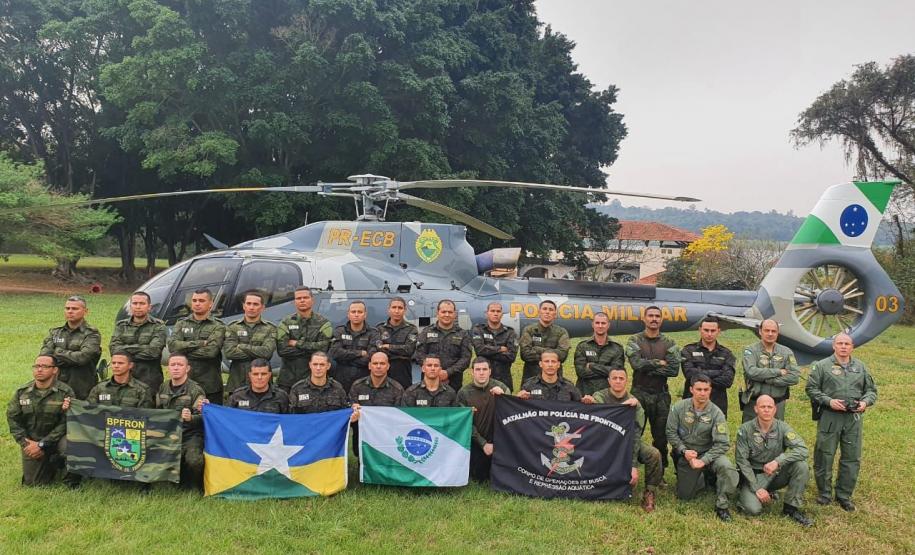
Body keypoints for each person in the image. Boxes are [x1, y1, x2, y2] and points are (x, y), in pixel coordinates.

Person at [806, 333, 877, 512]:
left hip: (853, 419)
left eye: (847, 343)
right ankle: (824, 493)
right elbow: (811, 388)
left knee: (851, 457)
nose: (843, 346)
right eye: (840, 343)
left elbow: (871, 391)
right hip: (830, 416)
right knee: (824, 455)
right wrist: (829, 401)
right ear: (834, 346)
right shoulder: (821, 366)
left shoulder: (860, 367)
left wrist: (864, 402)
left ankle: (844, 495)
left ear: (852, 347)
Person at [666, 374, 738, 522]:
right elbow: (670, 432)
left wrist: (704, 460)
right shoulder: (679, 407)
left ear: (710, 390)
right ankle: (704, 477)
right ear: (691, 389)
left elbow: (723, 443)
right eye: (699, 389)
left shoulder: (717, 413)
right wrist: (684, 451)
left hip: (710, 453)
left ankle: (722, 505)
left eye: (706, 389)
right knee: (684, 496)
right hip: (688, 453)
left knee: (727, 467)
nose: (703, 393)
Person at [735, 395, 813, 526]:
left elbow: (802, 449)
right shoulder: (745, 429)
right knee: (752, 509)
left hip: (775, 474)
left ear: (774, 410)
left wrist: (778, 461)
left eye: (769, 407)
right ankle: (746, 494)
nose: (766, 410)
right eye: (762, 407)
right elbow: (742, 462)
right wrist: (756, 487)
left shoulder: (783, 428)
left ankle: (791, 509)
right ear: (756, 409)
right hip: (754, 476)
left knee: (801, 466)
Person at [593, 368, 662, 512]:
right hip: (604, 442)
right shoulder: (599, 397)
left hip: (628, 441)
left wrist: (633, 465)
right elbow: (599, 419)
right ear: (609, 380)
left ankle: (649, 492)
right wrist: (621, 408)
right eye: (615, 378)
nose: (618, 381)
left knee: (653, 454)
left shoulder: (635, 404)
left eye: (621, 378)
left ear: (627, 380)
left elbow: (636, 435)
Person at [626, 305, 680, 471]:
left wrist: (647, 365)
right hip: (639, 394)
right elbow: (636, 364)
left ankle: (660, 472)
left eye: (657, 316)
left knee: (661, 437)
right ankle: (628, 468)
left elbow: (673, 370)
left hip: (661, 396)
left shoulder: (669, 342)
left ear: (661, 320)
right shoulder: (634, 340)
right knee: (634, 435)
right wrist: (659, 362)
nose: (654, 319)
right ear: (644, 318)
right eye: (650, 316)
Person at [7, 355, 74, 485]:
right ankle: (52, 464)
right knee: (33, 483)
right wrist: (27, 444)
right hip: (32, 440)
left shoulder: (65, 392)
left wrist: (43, 444)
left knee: (69, 447)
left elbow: (66, 422)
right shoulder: (22, 392)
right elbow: (13, 419)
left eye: (44, 366)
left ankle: (67, 474)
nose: (39, 370)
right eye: (37, 366)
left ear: (55, 370)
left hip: (57, 439)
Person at [155, 354, 207, 489]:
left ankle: (194, 486)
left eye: (180, 365)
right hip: (167, 434)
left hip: (190, 435)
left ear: (187, 368)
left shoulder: (196, 390)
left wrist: (191, 418)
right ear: (168, 368)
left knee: (194, 460)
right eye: (173, 365)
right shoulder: (163, 388)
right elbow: (157, 411)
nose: (176, 368)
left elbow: (204, 417)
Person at [167, 288, 227, 405]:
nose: (197, 303)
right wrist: (199, 344)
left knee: (208, 420)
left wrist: (183, 351)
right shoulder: (181, 323)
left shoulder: (218, 326)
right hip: (184, 384)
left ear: (211, 304)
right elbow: (172, 346)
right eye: (194, 300)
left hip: (209, 386)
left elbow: (211, 352)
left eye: (201, 300)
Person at [456, 358, 509, 481]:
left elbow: (511, 415)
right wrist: (483, 443)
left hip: (499, 442)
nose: (481, 373)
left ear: (490, 371)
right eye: (478, 369)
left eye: (484, 369)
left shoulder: (501, 387)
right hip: (476, 442)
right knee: (478, 477)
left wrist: (504, 398)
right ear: (472, 372)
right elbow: (464, 423)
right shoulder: (463, 393)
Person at [39, 295, 101, 400]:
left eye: (75, 309)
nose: (70, 311)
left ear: (85, 311)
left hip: (82, 388)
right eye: (67, 308)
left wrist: (57, 352)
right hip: (55, 386)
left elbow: (83, 358)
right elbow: (45, 357)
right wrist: (71, 357)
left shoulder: (92, 334)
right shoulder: (55, 332)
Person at [740, 319, 800, 422]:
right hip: (754, 402)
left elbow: (794, 377)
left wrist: (768, 380)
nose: (770, 334)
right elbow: (751, 372)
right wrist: (778, 372)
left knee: (776, 435)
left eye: (773, 331)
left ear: (778, 332)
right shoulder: (750, 350)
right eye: (767, 330)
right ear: (760, 331)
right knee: (751, 434)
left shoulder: (786, 352)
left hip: (777, 403)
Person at [276, 286, 333, 391]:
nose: (302, 300)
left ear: (312, 300)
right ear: (294, 302)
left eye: (305, 298)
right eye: (298, 298)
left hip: (313, 380)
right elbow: (282, 350)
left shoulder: (323, 323)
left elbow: (323, 350)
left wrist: (297, 344)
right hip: (287, 380)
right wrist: (312, 348)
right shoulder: (285, 322)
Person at [349, 352, 405, 456]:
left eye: (382, 363)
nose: (378, 366)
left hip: (387, 436)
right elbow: (350, 413)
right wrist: (353, 411)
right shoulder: (358, 386)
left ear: (388, 366)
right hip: (362, 435)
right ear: (369, 366)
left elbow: (400, 418)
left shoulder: (397, 389)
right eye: (375, 363)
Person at [223, 291, 277, 395]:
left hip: (263, 386)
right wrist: (257, 351)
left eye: (255, 304)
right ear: (244, 306)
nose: (251, 307)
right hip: (237, 383)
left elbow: (267, 353)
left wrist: (241, 346)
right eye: (248, 304)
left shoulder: (270, 328)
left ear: (262, 308)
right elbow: (229, 353)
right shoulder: (232, 327)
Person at [680, 316, 736, 415]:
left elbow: (727, 381)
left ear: (718, 331)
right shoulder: (688, 350)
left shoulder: (726, 353)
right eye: (706, 330)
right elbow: (689, 374)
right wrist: (718, 372)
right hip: (692, 404)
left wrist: (699, 375)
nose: (709, 334)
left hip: (717, 405)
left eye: (713, 331)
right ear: (700, 330)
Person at [413, 299, 472, 391]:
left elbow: (466, 358)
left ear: (454, 314)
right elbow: (419, 355)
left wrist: (448, 372)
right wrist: (434, 371)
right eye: (444, 312)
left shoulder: (463, 334)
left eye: (450, 312)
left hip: (453, 382)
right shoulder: (427, 331)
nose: (447, 315)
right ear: (438, 313)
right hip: (429, 381)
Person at [329, 300, 379, 393]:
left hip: (364, 380)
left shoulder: (373, 333)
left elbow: (372, 357)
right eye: (353, 312)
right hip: (341, 380)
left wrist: (346, 359)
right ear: (348, 314)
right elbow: (335, 353)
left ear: (365, 314)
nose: (356, 315)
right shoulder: (340, 331)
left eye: (360, 312)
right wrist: (359, 353)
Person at [574, 312, 625, 396]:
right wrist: (606, 370)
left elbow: (616, 373)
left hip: (608, 396)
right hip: (585, 394)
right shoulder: (582, 346)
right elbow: (581, 372)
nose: (600, 326)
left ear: (608, 325)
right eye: (597, 323)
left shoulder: (617, 348)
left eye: (603, 323)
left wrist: (592, 366)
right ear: (592, 324)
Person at [518, 300, 570, 382]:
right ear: (539, 312)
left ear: (555, 314)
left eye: (551, 310)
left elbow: (562, 355)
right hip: (531, 379)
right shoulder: (529, 330)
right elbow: (525, 354)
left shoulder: (561, 332)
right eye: (544, 309)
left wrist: (537, 349)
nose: (547, 312)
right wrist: (552, 356)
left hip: (554, 381)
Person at [470, 302, 518, 390]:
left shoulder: (510, 332)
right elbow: (479, 350)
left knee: (504, 403)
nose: (495, 313)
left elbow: (511, 356)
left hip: (504, 380)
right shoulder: (478, 330)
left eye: (498, 311)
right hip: (483, 380)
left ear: (502, 314)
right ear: (486, 313)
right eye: (492, 311)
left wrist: (487, 352)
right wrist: (500, 349)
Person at [374, 297, 418, 389]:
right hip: (383, 371)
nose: (397, 311)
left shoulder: (411, 329)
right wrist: (399, 351)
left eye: (400, 308)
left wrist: (388, 346)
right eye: (394, 307)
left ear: (405, 310)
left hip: (402, 371)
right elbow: (378, 349)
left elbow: (409, 350)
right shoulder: (380, 328)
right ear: (389, 310)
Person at [518, 350, 591, 403]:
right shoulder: (529, 385)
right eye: (546, 361)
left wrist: (586, 401)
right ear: (540, 364)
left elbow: (580, 408)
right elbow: (520, 409)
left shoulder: (569, 387)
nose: (550, 365)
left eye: (553, 361)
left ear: (558, 364)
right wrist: (519, 398)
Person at [87, 351, 153, 408]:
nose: (116, 366)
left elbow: (144, 415)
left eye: (120, 363)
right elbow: (90, 410)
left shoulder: (142, 390)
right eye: (113, 363)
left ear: (130, 365)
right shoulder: (99, 388)